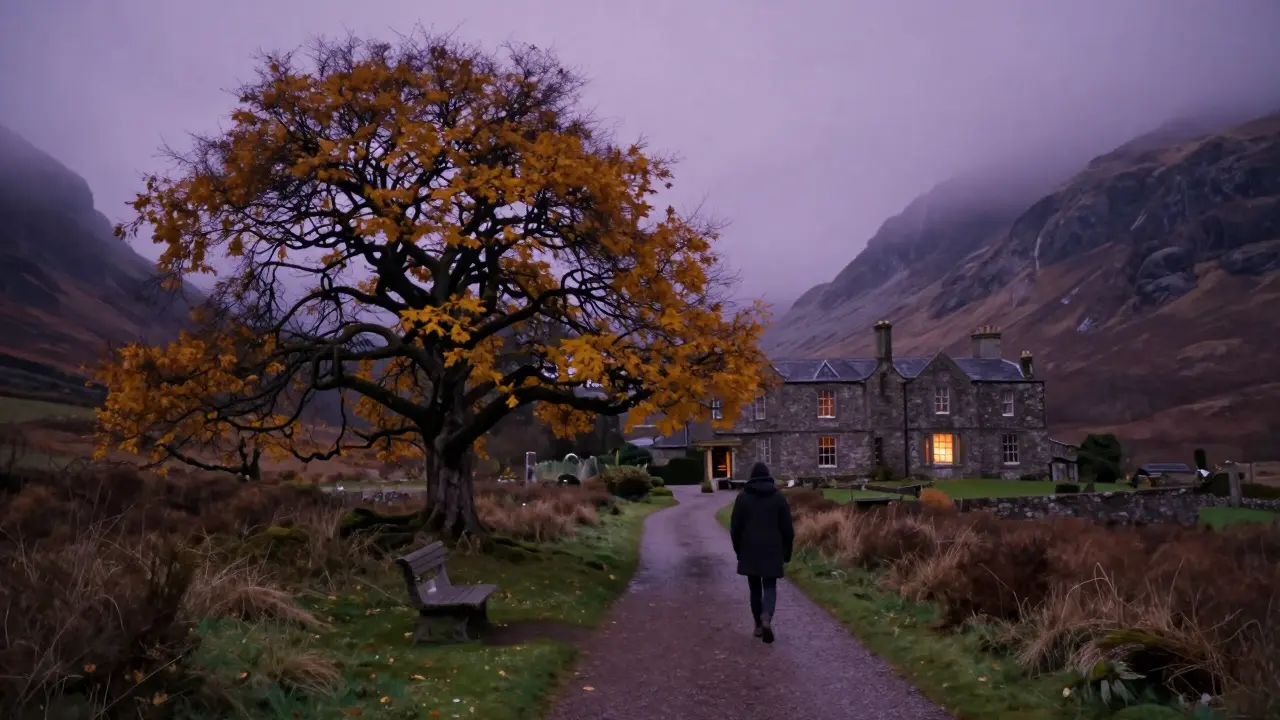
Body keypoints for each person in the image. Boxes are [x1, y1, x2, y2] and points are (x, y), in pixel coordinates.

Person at [729, 461, 794, 643]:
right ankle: (767, 616)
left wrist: (739, 551)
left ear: (751, 478)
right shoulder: (778, 498)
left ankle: (758, 625)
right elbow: (788, 530)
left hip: (749, 549)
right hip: (773, 549)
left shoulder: (742, 498)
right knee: (770, 586)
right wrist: (786, 553)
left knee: (755, 588)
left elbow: (735, 529)